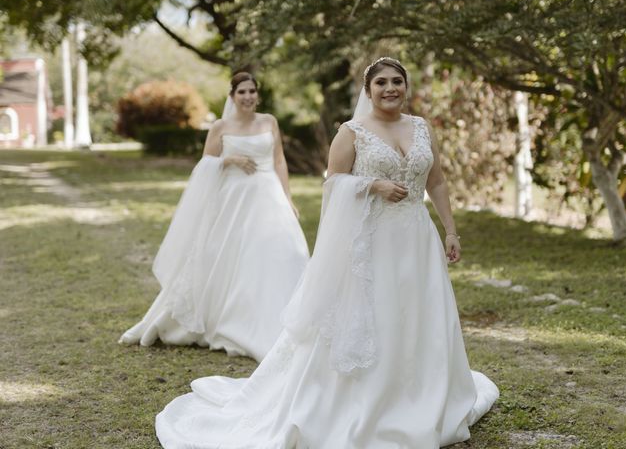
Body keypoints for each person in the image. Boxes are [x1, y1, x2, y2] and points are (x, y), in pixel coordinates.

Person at [155, 58, 499, 448]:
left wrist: (450, 230)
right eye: (381, 82)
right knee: (377, 314)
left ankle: (421, 394)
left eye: (397, 81)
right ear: (367, 91)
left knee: (418, 313)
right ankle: (370, 401)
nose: (390, 88)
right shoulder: (352, 132)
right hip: (371, 243)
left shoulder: (421, 128)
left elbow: (435, 180)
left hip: (417, 239)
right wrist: (372, 186)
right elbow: (334, 183)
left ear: (406, 86)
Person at [119, 72, 309, 362]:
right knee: (233, 256)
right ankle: (233, 319)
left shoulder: (269, 122)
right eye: (242, 92)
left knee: (287, 250)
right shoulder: (221, 126)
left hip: (269, 196)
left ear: (258, 95)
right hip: (235, 199)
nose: (247, 97)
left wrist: (287, 196)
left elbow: (279, 159)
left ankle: (284, 320)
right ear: (232, 96)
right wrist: (229, 159)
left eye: (252, 91)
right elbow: (205, 164)